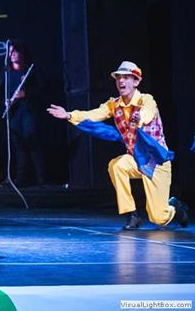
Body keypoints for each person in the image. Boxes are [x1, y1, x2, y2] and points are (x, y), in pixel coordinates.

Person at [48, 61, 189, 230]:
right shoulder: (114, 104)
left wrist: (139, 118)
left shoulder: (146, 100)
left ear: (136, 81)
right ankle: (131, 214)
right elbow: (94, 114)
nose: (121, 81)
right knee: (116, 165)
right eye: (119, 78)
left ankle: (175, 207)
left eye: (126, 77)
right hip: (136, 160)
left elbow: (147, 112)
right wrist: (69, 115)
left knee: (159, 218)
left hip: (156, 162)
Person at [0, 39, 46, 186]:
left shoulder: (30, 70)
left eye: (15, 52)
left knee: (32, 141)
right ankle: (20, 178)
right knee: (18, 145)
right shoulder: (6, 72)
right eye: (10, 52)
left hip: (28, 111)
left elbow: (43, 90)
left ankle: (41, 178)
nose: (12, 55)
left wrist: (25, 94)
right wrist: (6, 101)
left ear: (22, 53)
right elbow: (0, 92)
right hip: (14, 113)